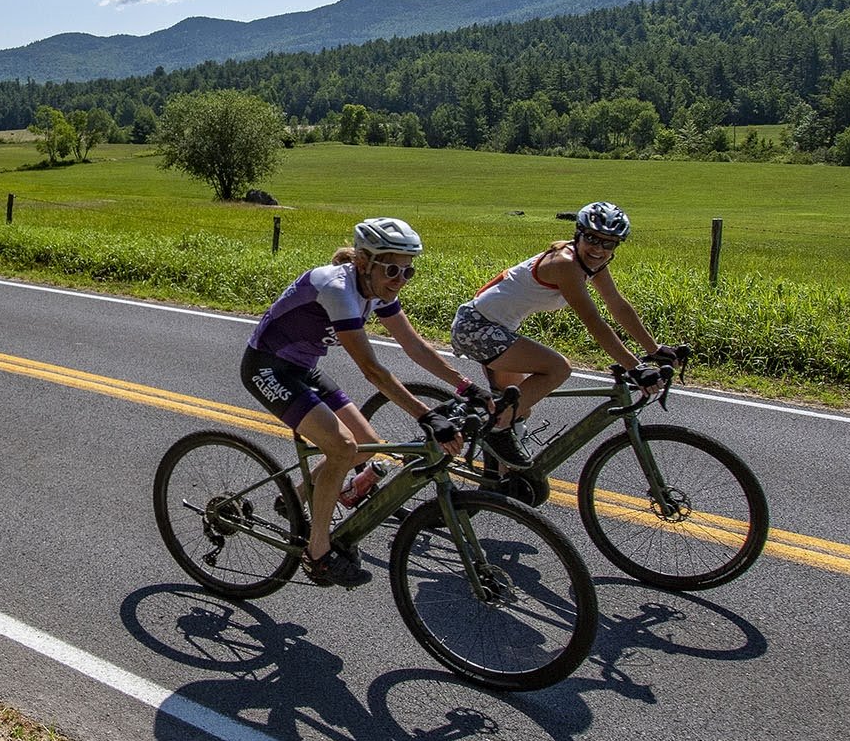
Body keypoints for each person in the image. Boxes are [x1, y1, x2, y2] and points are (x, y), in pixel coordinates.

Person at [241, 217, 466, 587]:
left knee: (365, 447)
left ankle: (295, 500)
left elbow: (415, 346)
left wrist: (465, 386)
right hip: (267, 367)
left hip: (302, 368)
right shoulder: (337, 288)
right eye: (393, 269)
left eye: (408, 272)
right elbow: (373, 371)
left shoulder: (377, 289)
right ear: (364, 262)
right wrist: (427, 415)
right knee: (343, 448)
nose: (399, 280)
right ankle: (318, 552)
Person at [449, 201, 669, 483]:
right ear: (578, 234)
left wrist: (656, 350)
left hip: (497, 327)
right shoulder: (565, 264)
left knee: (516, 407)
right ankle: (494, 432)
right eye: (592, 238)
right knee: (557, 369)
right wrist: (635, 368)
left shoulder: (593, 264)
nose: (599, 249)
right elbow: (594, 321)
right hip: (476, 327)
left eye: (609, 243)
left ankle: (496, 482)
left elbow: (617, 306)